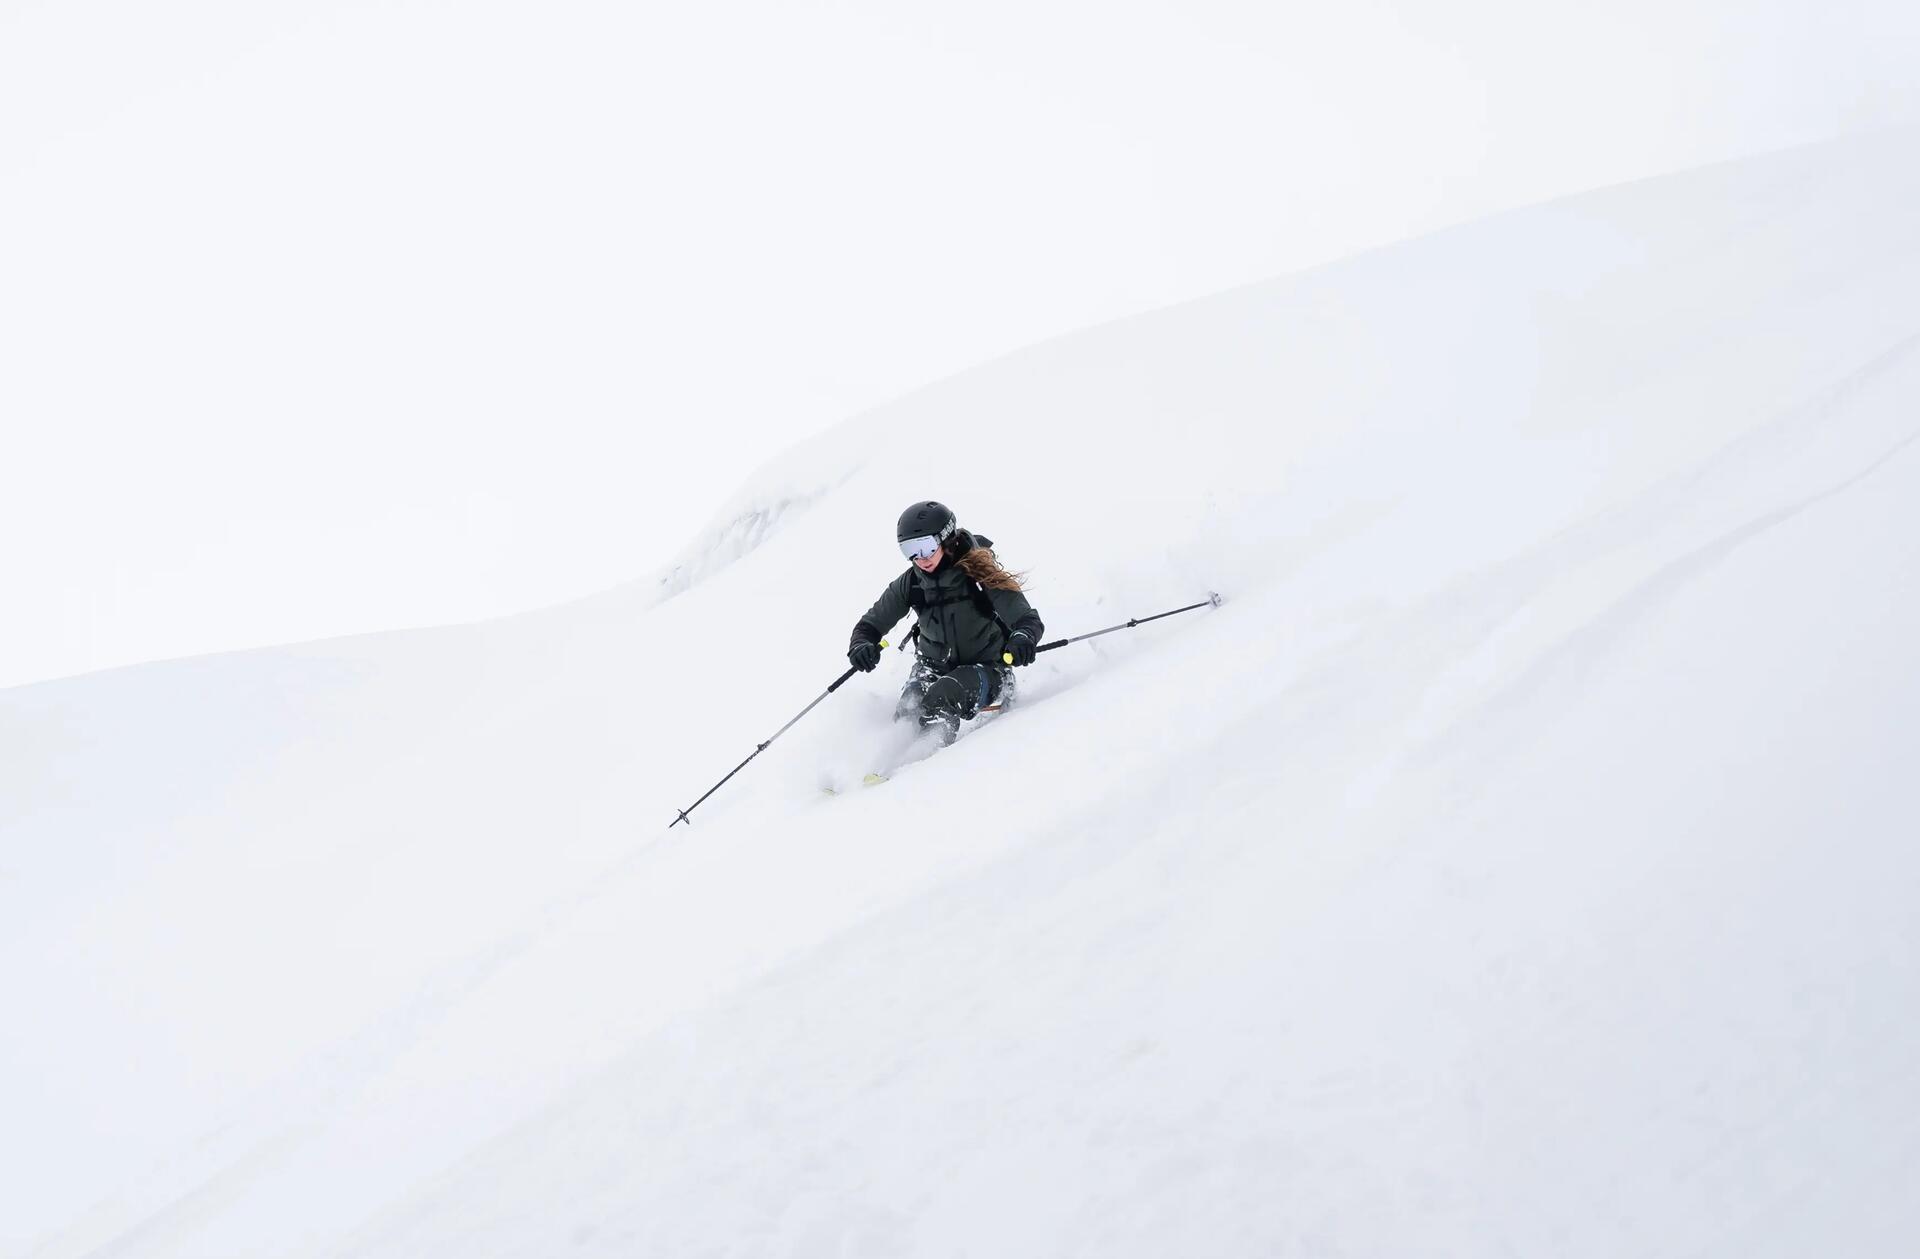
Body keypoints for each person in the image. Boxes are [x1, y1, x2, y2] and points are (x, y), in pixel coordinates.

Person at [847, 501, 1044, 736]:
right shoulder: (912, 584)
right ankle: (892, 765)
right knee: (910, 706)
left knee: (943, 695)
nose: (920, 558)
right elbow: (869, 625)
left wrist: (1023, 638)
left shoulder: (980, 574)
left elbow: (1026, 619)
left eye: (926, 546)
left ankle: (929, 760)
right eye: (909, 550)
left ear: (946, 539)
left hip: (988, 669)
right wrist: (861, 646)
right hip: (932, 666)